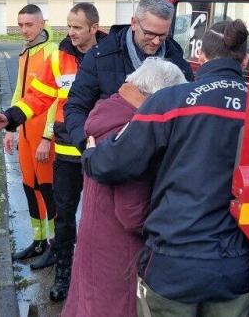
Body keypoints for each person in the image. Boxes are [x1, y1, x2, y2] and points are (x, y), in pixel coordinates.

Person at [83, 20, 249, 317]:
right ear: (245, 59)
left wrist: (91, 156)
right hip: (233, 265)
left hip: (171, 262)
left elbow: (115, 162)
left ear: (200, 57)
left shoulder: (170, 101)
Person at [0, 3, 105, 299]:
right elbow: (38, 95)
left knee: (100, 216)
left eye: (77, 27)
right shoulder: (60, 57)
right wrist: (11, 117)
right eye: (69, 26)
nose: (71, 32)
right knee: (64, 214)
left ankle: (96, 275)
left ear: (94, 27)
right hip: (67, 150)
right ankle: (64, 273)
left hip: (103, 151)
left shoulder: (110, 55)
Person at [63, 58, 187, 317]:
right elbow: (133, 211)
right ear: (157, 96)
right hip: (120, 249)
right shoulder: (132, 131)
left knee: (88, 302)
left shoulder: (109, 112)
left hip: (96, 235)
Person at [64, 0, 193, 153]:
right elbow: (76, 106)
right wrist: (87, 145)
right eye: (149, 33)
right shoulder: (100, 56)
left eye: (163, 36)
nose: (156, 42)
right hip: (109, 160)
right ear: (134, 23)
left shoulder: (178, 61)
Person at [4, 4, 59, 268]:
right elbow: (19, 92)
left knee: (49, 190)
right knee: (29, 187)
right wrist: (11, 128)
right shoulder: (25, 52)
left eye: (29, 25)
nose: (24, 30)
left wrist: (48, 136)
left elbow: (56, 97)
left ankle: (55, 244)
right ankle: (38, 241)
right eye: (21, 25)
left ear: (42, 23)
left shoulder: (52, 52)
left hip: (43, 134)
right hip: (25, 130)